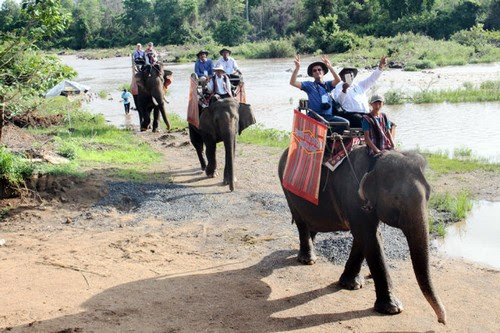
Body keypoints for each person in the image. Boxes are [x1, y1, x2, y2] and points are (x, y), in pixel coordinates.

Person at [290, 55, 348, 133]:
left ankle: (329, 137)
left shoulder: (328, 85)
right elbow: (292, 82)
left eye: (319, 69)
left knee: (345, 123)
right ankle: (325, 135)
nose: (317, 71)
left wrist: (330, 67)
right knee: (320, 125)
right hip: (315, 117)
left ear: (323, 72)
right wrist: (297, 68)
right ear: (312, 74)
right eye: (314, 70)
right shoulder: (309, 85)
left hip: (328, 117)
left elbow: (338, 80)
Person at [333, 55, 388, 128]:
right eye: (347, 73)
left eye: (351, 72)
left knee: (387, 122)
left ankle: (387, 139)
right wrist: (344, 90)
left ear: (353, 75)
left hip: (366, 114)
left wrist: (381, 66)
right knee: (367, 121)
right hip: (351, 114)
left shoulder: (359, 85)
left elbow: (372, 78)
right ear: (342, 76)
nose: (349, 74)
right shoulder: (339, 87)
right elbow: (339, 102)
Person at [362, 94, 395, 168]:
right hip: (374, 147)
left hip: (386, 145)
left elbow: (388, 132)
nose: (378, 105)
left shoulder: (384, 116)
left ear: (383, 104)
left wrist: (393, 144)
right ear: (371, 104)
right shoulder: (367, 118)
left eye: (380, 103)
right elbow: (367, 138)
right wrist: (377, 151)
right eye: (375, 103)